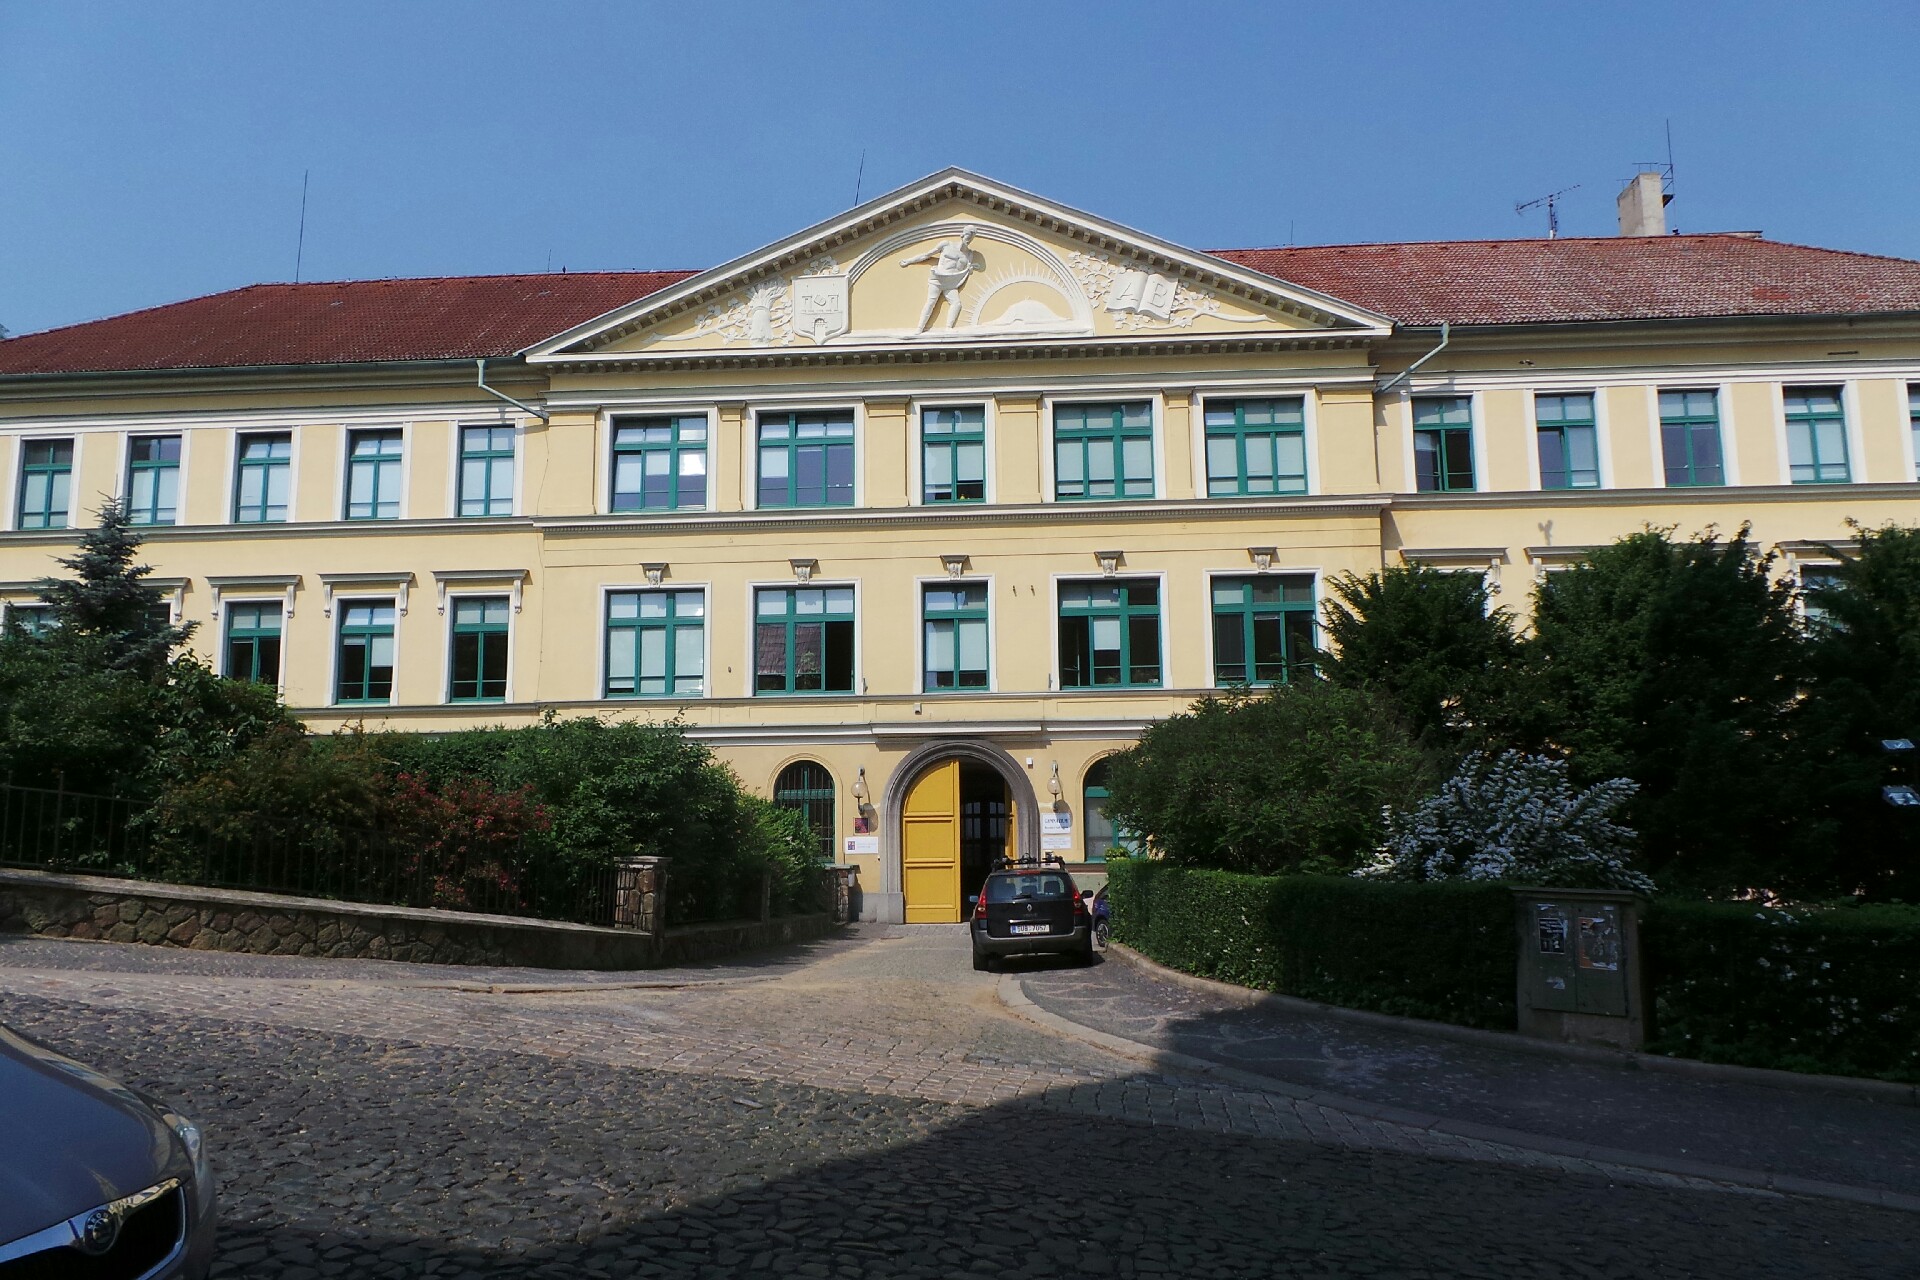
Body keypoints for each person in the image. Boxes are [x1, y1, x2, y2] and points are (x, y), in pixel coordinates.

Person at [900, 227, 980, 331]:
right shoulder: (946, 244)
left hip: (950, 283)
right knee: (931, 302)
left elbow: (965, 269)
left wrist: (970, 269)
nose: (969, 239)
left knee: (956, 304)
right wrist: (909, 261)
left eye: (972, 237)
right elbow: (927, 255)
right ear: (962, 235)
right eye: (968, 235)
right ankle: (920, 328)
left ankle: (948, 328)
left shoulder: (969, 254)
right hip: (937, 279)